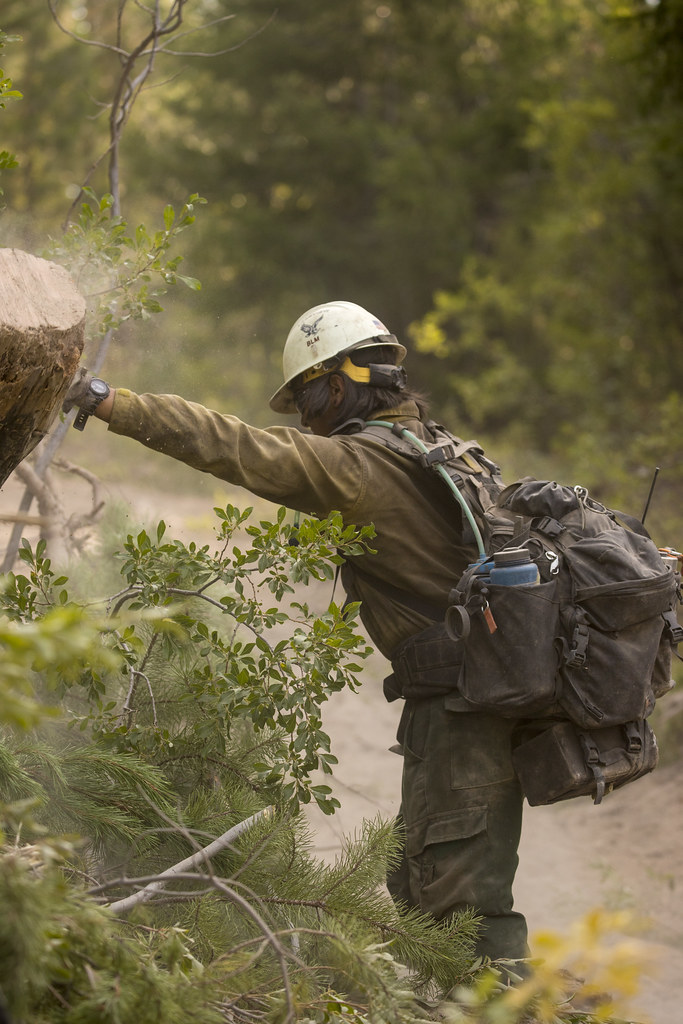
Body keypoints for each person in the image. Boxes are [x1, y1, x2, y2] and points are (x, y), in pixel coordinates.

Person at [64, 299, 529, 965]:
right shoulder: (442, 450)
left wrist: (110, 402)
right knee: (420, 884)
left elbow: (233, 446)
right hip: (476, 697)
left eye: (308, 403)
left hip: (465, 709)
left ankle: (507, 1008)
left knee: (462, 916)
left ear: (339, 386)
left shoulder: (357, 467)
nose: (307, 422)